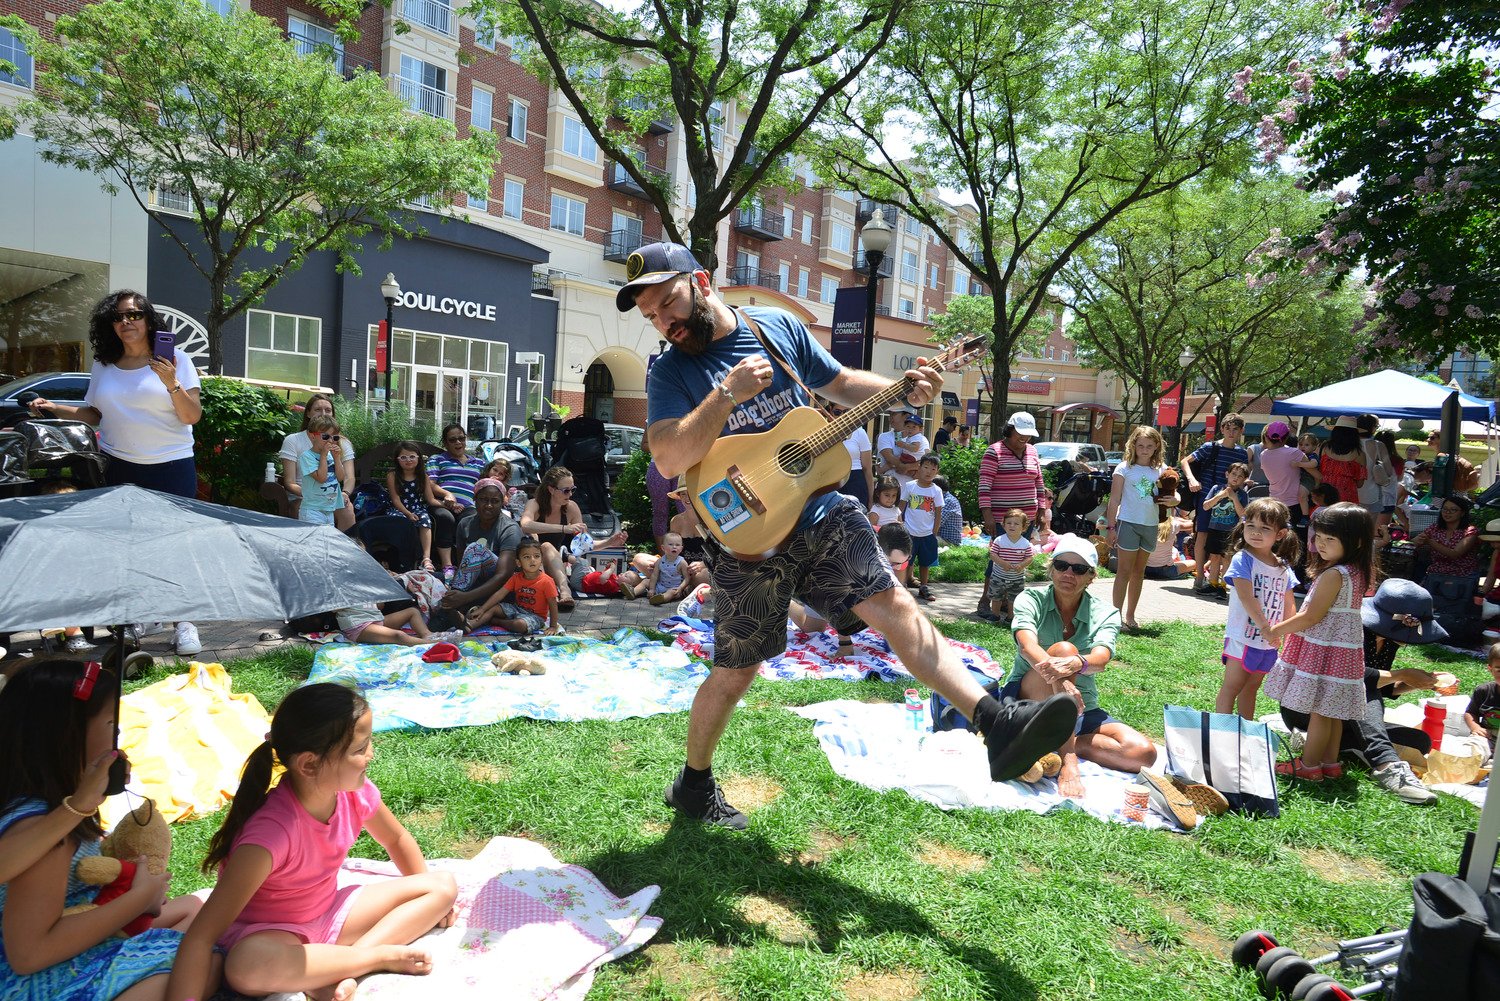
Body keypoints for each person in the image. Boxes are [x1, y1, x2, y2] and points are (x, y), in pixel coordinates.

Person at [621, 241, 1078, 826]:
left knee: (895, 604)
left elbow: (839, 385)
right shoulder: (671, 371)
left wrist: (905, 389)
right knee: (736, 670)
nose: (664, 322)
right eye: (652, 316)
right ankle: (693, 783)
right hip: (748, 538)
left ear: (702, 282)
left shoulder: (776, 329)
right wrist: (725, 394)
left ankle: (995, 720)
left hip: (820, 509)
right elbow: (667, 457)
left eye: (669, 303)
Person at [167, 684, 457, 1001]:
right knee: (246, 966)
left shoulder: (354, 793)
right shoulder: (270, 835)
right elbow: (200, 937)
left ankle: (339, 968)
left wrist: (430, 897)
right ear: (309, 764)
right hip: (271, 935)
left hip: (330, 913)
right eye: (359, 750)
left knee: (440, 886)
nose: (371, 753)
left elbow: (396, 838)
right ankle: (374, 958)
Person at [0, 660, 201, 1001]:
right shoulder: (50, 833)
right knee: (201, 961)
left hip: (73, 924)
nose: (118, 733)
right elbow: (28, 955)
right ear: (67, 733)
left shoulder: (35, 802)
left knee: (198, 909)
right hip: (35, 977)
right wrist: (141, 897)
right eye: (111, 722)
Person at [27, 290, 203, 657]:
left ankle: (184, 622)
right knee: (130, 545)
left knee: (176, 546)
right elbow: (94, 415)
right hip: (120, 463)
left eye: (135, 315)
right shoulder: (104, 364)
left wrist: (171, 381)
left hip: (170, 464)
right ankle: (140, 615)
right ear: (111, 324)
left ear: (149, 320)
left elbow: (191, 416)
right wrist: (54, 407)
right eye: (120, 317)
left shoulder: (176, 360)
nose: (127, 322)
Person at [1003, 534, 1157, 799]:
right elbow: (1027, 646)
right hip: (1028, 699)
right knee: (1064, 649)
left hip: (1081, 704)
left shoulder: (1105, 612)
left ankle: (1064, 743)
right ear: (1051, 569)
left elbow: (1102, 657)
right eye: (1062, 565)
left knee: (1143, 753)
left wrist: (1079, 663)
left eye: (1079, 569)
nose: (1068, 573)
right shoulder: (1031, 598)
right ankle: (1069, 758)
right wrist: (1061, 680)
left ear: (1091, 576)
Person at [1282, 578, 1451, 805]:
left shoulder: (1390, 641)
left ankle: (1334, 747)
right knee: (1362, 691)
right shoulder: (1352, 630)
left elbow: (1387, 687)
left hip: (1344, 717)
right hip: (1310, 707)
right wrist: (1403, 674)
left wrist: (1418, 683)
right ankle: (1386, 766)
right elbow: (1349, 677)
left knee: (1419, 741)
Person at [1264, 502, 1377, 782]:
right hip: (1343, 650)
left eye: (1330, 539)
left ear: (1356, 541)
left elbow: (1311, 616)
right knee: (1332, 711)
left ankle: (1309, 765)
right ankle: (1330, 763)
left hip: (1325, 649)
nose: (1321, 544)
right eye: (1319, 538)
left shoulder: (1333, 574)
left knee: (1318, 710)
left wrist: (1275, 630)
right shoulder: (1357, 571)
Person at [1216, 499, 1301, 719]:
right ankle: (1221, 733)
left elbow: (1288, 603)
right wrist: (1265, 626)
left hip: (1268, 642)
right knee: (1231, 687)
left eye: (1265, 528)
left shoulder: (1282, 566)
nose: (1256, 532)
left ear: (1280, 534)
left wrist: (1282, 632)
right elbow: (1246, 596)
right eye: (1251, 525)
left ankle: (1245, 732)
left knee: (1251, 688)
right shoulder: (1242, 559)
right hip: (1242, 637)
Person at [977, 411, 1044, 618]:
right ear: (1009, 430)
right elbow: (984, 486)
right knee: (998, 558)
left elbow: (1039, 482)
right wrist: (987, 515)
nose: (1024, 438)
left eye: (1028, 435)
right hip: (1002, 520)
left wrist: (1041, 509)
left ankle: (1007, 602)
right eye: (1020, 433)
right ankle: (985, 600)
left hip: (1026, 519)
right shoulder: (993, 452)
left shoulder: (1032, 451)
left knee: (1019, 557)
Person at [1104, 426, 1166, 630]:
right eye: (1140, 445)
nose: (1145, 449)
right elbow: (1114, 500)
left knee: (1139, 572)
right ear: (1133, 445)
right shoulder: (1124, 468)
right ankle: (1116, 615)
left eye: (1149, 445)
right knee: (1124, 570)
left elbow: (1173, 496)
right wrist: (1111, 527)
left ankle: (1131, 616)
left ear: (1156, 446)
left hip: (1150, 525)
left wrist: (1175, 500)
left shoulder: (1162, 470)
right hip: (1128, 523)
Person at [1181, 413, 1249, 596]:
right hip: (1208, 497)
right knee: (1202, 536)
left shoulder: (1242, 452)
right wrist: (1191, 479)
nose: (1231, 432)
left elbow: (1241, 474)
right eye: (1228, 428)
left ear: (1241, 431)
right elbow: (1185, 461)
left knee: (1225, 542)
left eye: (1236, 429)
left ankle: (1220, 582)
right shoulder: (1209, 447)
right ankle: (1199, 578)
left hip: (1230, 504)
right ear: (1222, 429)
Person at [438, 479, 523, 618]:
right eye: (483, 499)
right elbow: (462, 566)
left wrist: (464, 597)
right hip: (472, 584)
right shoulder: (465, 524)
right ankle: (453, 605)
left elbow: (504, 575)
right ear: (475, 500)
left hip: (502, 588)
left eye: (495, 501)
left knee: (476, 549)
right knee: (425, 578)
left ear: (502, 503)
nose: (488, 505)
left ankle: (452, 606)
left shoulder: (510, 528)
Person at [279, 393, 356, 530]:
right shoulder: (293, 440)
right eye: (318, 409)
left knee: (347, 509)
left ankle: (343, 549)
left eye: (328, 410)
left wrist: (344, 494)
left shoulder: (341, 442)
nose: (324, 413)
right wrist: (314, 495)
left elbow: (348, 477)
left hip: (331, 496)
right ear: (308, 413)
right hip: (304, 497)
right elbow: (290, 482)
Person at [425, 425, 487, 576]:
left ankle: (467, 564)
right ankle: (447, 566)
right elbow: (430, 484)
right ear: (445, 443)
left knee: (471, 520)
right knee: (445, 518)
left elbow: (485, 485)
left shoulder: (479, 463)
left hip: (468, 506)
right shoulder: (437, 459)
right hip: (442, 503)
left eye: (461, 438)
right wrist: (447, 494)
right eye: (453, 440)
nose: (458, 442)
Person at [468, 539, 561, 635]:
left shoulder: (547, 581)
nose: (532, 560)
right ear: (518, 563)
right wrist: (483, 609)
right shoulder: (516, 577)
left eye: (536, 556)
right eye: (527, 557)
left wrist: (553, 626)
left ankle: (495, 621)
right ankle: (469, 625)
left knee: (519, 625)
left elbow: (553, 605)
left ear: (541, 560)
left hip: (535, 617)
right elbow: (500, 594)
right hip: (516, 609)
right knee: (494, 608)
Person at [386, 440, 443, 572]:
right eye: (403, 457)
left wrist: (448, 505)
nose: (408, 460)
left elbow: (431, 499)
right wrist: (407, 513)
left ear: (418, 458)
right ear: (397, 460)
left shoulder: (423, 476)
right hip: (400, 509)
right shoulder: (392, 475)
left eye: (412, 456)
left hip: (417, 508)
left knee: (425, 520)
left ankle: (426, 558)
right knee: (400, 521)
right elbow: (395, 499)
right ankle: (402, 559)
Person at [1199, 462, 1251, 596]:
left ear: (1244, 480)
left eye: (1240, 476)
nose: (1236, 478)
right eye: (1234, 474)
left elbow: (1243, 515)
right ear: (1227, 474)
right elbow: (1205, 506)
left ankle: (1223, 585)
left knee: (1227, 557)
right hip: (1214, 528)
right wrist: (1220, 496)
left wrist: (1234, 498)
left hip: (1230, 531)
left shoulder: (1242, 495)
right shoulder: (1217, 488)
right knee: (1214, 557)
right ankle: (1212, 583)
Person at [1254, 420, 1317, 523]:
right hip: (1295, 504)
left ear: (1266, 436)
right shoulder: (1294, 453)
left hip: (1274, 503)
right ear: (1286, 437)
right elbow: (1316, 475)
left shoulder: (1263, 455)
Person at [901, 453, 944, 602]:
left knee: (925, 562)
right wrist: (900, 525)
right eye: (925, 467)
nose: (928, 471)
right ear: (919, 467)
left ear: (937, 471)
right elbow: (901, 507)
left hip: (927, 533)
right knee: (907, 561)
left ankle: (924, 587)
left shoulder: (936, 491)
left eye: (933, 469)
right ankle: (903, 585)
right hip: (909, 531)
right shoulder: (910, 486)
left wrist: (934, 532)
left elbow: (938, 513)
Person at [297, 417, 349, 527]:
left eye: (334, 437)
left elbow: (340, 477)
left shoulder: (330, 455)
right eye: (325, 436)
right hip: (312, 509)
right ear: (312, 436)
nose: (330, 441)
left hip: (329, 509)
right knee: (313, 542)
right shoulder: (307, 457)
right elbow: (321, 478)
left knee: (325, 542)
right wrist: (324, 456)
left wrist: (337, 458)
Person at [1413, 494, 1479, 578]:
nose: (1447, 512)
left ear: (1462, 513)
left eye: (1453, 510)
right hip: (1436, 573)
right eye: (1445, 509)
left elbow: (1455, 554)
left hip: (1462, 576)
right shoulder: (1435, 528)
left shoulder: (1470, 531)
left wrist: (1430, 542)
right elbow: (1416, 541)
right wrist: (1418, 540)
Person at [988, 509, 1035, 622]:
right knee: (996, 597)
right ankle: (995, 615)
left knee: (1014, 599)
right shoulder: (999, 540)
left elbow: (1030, 558)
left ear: (1023, 528)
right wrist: (1002, 563)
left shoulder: (1025, 543)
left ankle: (1011, 617)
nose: (1012, 526)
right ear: (1004, 525)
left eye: (1016, 523)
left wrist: (1022, 565)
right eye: (1009, 523)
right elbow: (993, 554)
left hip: (1017, 578)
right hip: (999, 576)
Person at [624, 532, 691, 606]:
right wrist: (652, 589)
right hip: (660, 585)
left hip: (674, 588)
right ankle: (633, 592)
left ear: (681, 548)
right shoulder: (660, 561)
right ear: (663, 548)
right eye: (670, 544)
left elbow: (687, 578)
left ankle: (660, 599)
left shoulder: (682, 562)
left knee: (671, 592)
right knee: (646, 581)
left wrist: (680, 588)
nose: (674, 547)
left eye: (677, 545)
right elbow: (654, 576)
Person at [1317, 416, 1368, 505]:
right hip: (1347, 498)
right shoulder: (1360, 455)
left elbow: (1318, 471)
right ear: (1355, 435)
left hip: (1324, 495)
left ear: (1335, 432)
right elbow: (1360, 484)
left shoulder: (1324, 448)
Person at [836, 405, 875, 507]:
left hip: (855, 479)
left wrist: (871, 499)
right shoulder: (823, 432)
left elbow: (867, 469)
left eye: (846, 412)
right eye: (837, 412)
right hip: (833, 480)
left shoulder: (860, 432)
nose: (842, 416)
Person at [1463, 642, 1500, 749]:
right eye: (1499, 670)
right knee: (1473, 747)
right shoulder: (1483, 691)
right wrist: (1475, 727)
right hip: (1487, 736)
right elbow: (1470, 713)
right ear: (1490, 669)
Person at [1427, 429, 1480, 494]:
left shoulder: (1442, 456)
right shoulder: (1449, 455)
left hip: (1445, 495)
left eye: (1432, 438)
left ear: (1442, 440)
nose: (1428, 440)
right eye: (1428, 437)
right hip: (1454, 494)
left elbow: (1438, 477)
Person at [933, 473, 964, 546]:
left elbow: (936, 523)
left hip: (949, 541)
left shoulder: (948, 501)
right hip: (942, 537)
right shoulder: (943, 499)